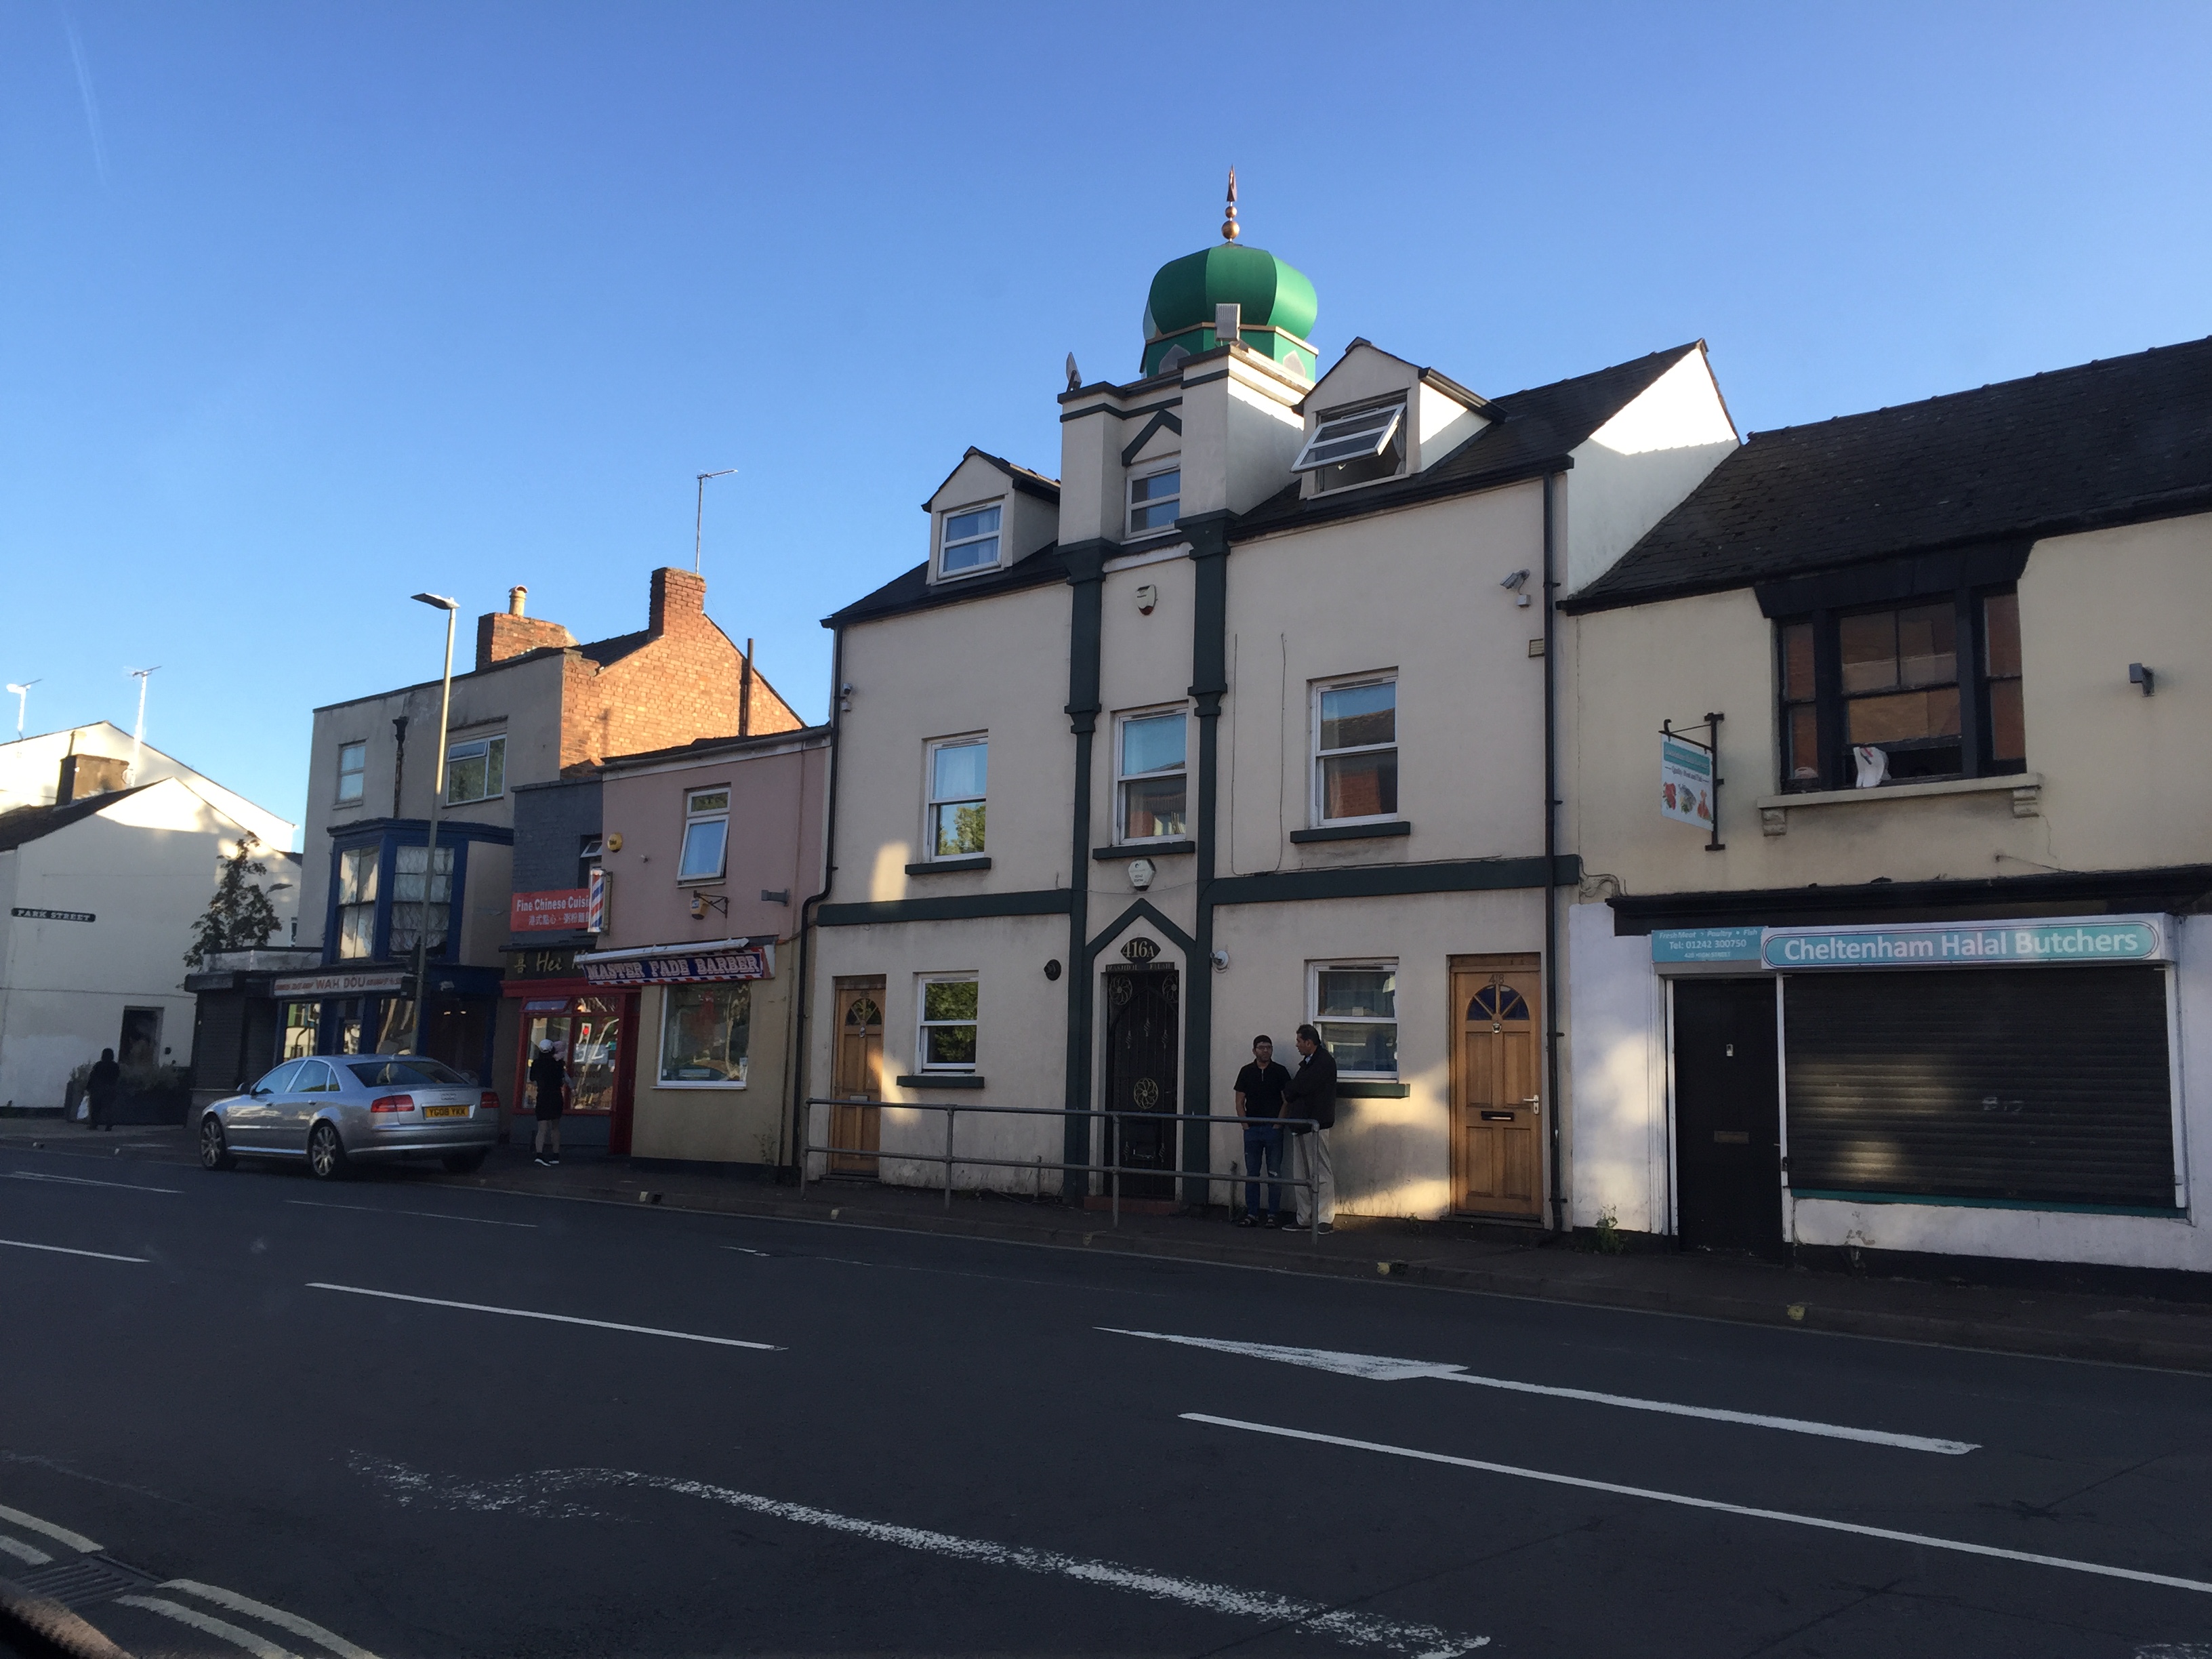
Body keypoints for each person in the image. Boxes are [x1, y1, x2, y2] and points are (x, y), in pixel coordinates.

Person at [1233, 1035, 1293, 1227]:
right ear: (1254, 1051)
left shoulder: (1280, 1072)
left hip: (1273, 1130)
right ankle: (1252, 1213)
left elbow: (1286, 1101)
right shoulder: (1246, 1072)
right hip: (1252, 1130)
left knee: (1274, 1173)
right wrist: (1245, 1126)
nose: (1266, 1051)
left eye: (1269, 1047)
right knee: (1252, 1173)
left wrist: (1278, 1124)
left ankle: (1273, 1214)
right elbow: (1239, 1101)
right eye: (1261, 1047)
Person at [1282, 1023, 1337, 1233]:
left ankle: (1324, 1218)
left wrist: (1290, 1089)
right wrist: (1292, 1089)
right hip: (1302, 1124)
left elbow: (1300, 1086)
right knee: (1302, 1174)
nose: (1296, 1045)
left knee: (1321, 1172)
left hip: (1316, 1124)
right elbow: (1297, 1088)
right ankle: (1304, 1217)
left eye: (1299, 1041)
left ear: (1309, 1042)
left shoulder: (1323, 1062)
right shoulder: (1310, 1062)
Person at [528, 1038, 570, 1166]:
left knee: (542, 1128)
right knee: (555, 1127)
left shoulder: (536, 1063)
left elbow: (532, 1079)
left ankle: (539, 1155)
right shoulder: (558, 1064)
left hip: (543, 1096)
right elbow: (562, 1080)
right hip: (556, 1096)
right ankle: (555, 1155)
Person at [85, 1048, 121, 1133]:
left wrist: (88, 1087)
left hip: (98, 1089)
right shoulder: (115, 1066)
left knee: (95, 1108)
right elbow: (117, 1077)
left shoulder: (99, 1065)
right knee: (108, 1107)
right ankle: (109, 1124)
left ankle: (94, 1124)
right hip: (110, 1089)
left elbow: (92, 1077)